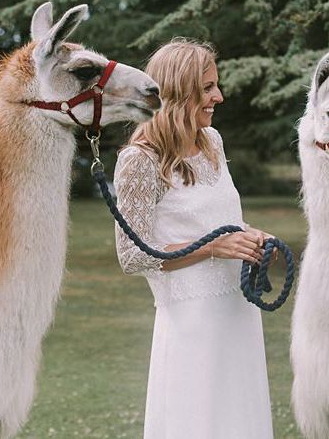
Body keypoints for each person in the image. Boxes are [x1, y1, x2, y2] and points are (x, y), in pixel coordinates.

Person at [113, 38, 273, 439]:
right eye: (207, 88)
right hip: (191, 324)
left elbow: (222, 218)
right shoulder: (140, 161)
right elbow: (132, 255)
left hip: (237, 313)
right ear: (176, 91)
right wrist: (212, 247)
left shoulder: (212, 143)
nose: (218, 96)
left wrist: (249, 236)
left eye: (215, 85)